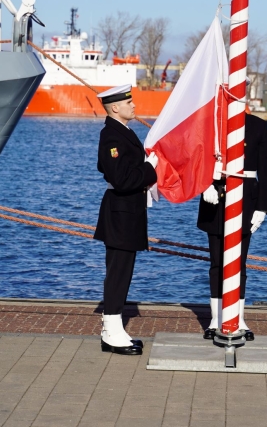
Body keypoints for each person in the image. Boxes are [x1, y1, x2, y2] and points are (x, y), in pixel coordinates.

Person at [198, 113, 267, 341]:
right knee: (216, 263)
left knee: (239, 263)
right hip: (215, 198)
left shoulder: (258, 126)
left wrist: (263, 207)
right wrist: (204, 185)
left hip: (245, 199)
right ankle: (216, 318)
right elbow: (198, 157)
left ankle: (238, 317)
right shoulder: (211, 121)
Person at [94, 84, 159, 355]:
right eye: (128, 102)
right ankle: (110, 331)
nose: (134, 105)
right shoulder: (111, 136)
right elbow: (121, 179)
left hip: (128, 213)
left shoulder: (124, 132)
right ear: (115, 107)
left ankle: (116, 328)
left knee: (124, 272)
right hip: (120, 214)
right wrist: (149, 169)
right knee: (118, 273)